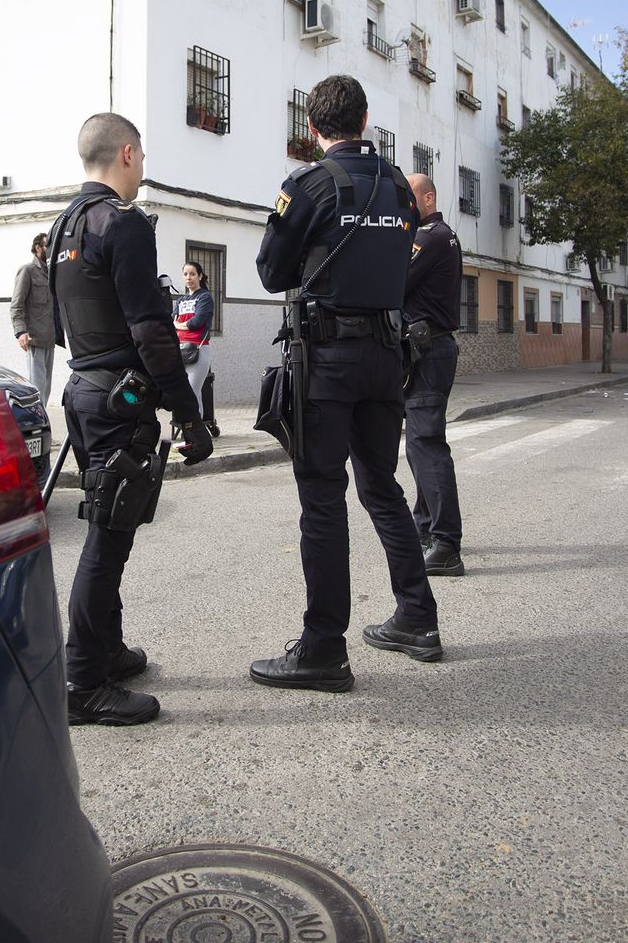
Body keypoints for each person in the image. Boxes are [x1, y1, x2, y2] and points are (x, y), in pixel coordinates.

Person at [248, 74, 444, 693]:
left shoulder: (306, 185)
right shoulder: (398, 187)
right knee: (382, 487)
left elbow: (271, 272)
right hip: (387, 360)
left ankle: (324, 649)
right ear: (363, 120)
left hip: (328, 364)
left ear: (313, 128)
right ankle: (418, 617)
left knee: (323, 500)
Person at [48, 112, 213, 726]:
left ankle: (107, 652)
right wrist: (189, 415)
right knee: (107, 540)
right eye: (140, 157)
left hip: (84, 392)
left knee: (107, 522)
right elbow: (152, 332)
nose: (143, 168)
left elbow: (63, 326)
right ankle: (82, 682)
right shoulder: (124, 224)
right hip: (120, 398)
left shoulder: (64, 223)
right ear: (125, 153)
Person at [403, 173, 465, 578]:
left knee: (425, 442)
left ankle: (445, 543)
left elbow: (395, 277)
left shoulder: (431, 236)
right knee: (418, 444)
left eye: (408, 197)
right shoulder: (436, 234)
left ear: (427, 197)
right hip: (426, 350)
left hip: (430, 351)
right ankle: (425, 526)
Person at [172, 259, 215, 437]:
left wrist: (179, 325)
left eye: (192, 274)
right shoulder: (181, 300)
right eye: (185, 274)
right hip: (179, 350)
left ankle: (194, 432)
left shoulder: (204, 297)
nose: (188, 277)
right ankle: (191, 430)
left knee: (192, 391)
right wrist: (181, 324)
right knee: (186, 393)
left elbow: (196, 323)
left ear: (200, 276)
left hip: (198, 349)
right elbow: (170, 321)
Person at [11, 232, 55, 399]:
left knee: (46, 389)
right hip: (35, 338)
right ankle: (37, 421)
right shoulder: (27, 271)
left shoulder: (51, 273)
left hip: (50, 338)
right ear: (38, 248)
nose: (49, 250)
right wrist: (21, 332)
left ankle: (42, 419)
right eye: (46, 246)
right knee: (38, 387)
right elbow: (16, 304)